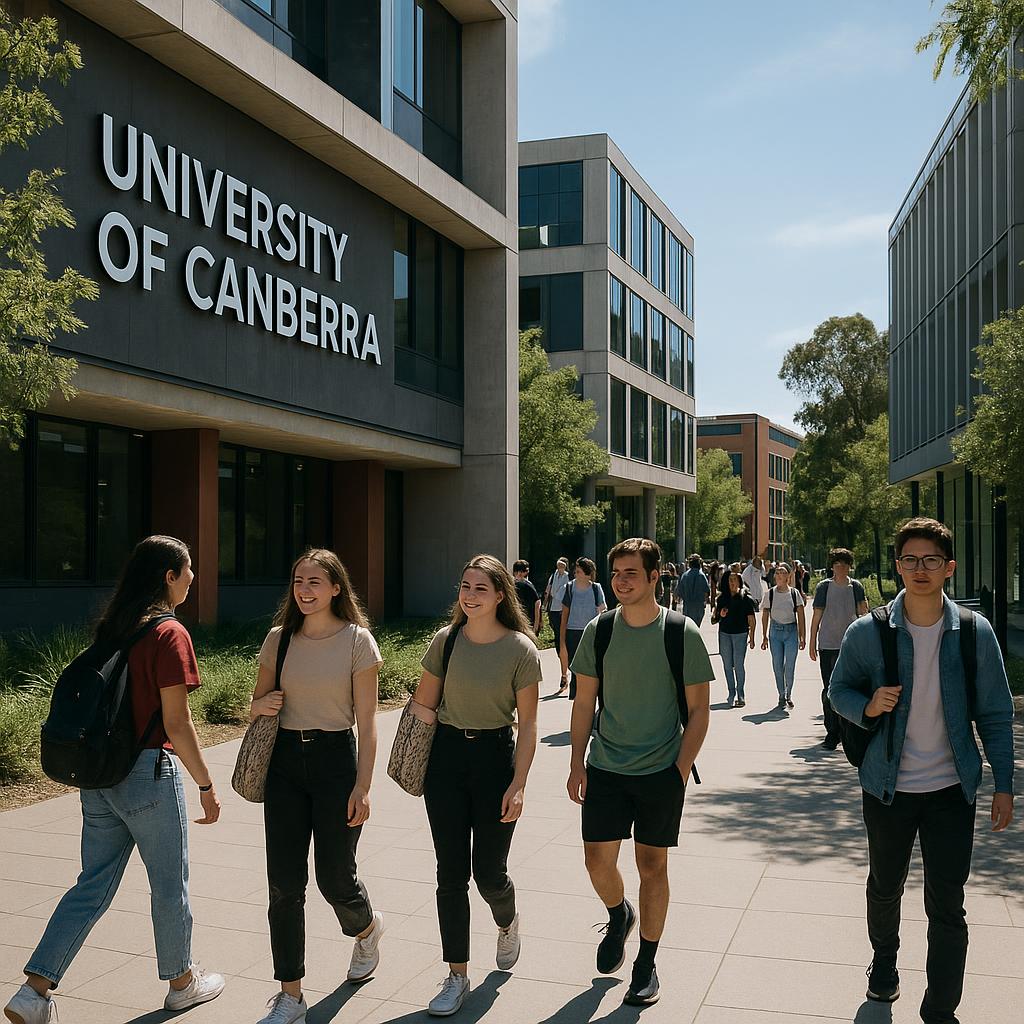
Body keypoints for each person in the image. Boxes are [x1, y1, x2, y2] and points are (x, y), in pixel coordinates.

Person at [5, 537, 225, 1024]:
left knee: (91, 885)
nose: (193, 579)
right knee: (170, 885)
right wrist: (207, 785)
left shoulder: (115, 627)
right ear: (169, 575)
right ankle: (182, 983)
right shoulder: (170, 633)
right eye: (189, 571)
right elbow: (177, 722)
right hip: (148, 774)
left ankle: (33, 992)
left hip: (101, 777)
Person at [828, 518, 1014, 1023]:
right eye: (909, 559)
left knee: (947, 905)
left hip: (952, 789)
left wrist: (1004, 783)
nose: (920, 569)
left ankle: (940, 1009)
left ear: (949, 568)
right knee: (885, 886)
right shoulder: (869, 632)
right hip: (888, 787)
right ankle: (885, 963)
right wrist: (868, 706)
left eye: (931, 560)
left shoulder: (975, 634)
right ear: (896, 566)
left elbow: (996, 713)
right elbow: (837, 690)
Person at [567, 538, 713, 1007]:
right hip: (605, 766)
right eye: (617, 573)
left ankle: (646, 964)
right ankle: (618, 913)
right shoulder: (599, 631)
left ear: (655, 577)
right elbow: (584, 701)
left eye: (632, 572)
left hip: (660, 771)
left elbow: (699, 710)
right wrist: (576, 762)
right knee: (596, 861)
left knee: (652, 866)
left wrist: (679, 770)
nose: (622, 581)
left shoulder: (681, 631)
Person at [249, 550, 384, 1024]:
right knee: (284, 885)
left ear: (335, 589)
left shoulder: (357, 641)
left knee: (334, 877)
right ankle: (291, 994)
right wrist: (263, 704)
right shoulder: (278, 639)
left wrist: (363, 788)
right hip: (284, 763)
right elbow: (255, 705)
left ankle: (366, 928)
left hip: (335, 764)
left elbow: (367, 724)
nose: (304, 589)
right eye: (297, 580)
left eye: (314, 582)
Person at [410, 555, 542, 1017]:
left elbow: (528, 726)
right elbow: (422, 706)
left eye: (480, 588)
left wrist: (520, 783)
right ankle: (457, 975)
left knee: (488, 871)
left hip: (494, 762)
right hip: (445, 761)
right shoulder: (445, 641)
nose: (469, 595)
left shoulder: (521, 650)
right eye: (464, 586)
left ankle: (507, 921)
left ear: (501, 596)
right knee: (450, 873)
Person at [808, 548, 868, 750]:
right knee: (829, 689)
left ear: (849, 566)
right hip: (828, 645)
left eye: (844, 564)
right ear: (832, 567)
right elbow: (817, 616)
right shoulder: (824, 587)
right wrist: (812, 642)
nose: (840, 568)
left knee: (850, 688)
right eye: (836, 564)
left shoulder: (856, 587)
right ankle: (832, 732)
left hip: (851, 646)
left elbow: (863, 614)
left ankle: (847, 731)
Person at [559, 557, 607, 698]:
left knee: (591, 665)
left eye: (579, 571)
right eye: (576, 571)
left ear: (587, 574)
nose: (575, 574)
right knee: (576, 667)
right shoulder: (569, 588)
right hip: (573, 632)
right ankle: (577, 696)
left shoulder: (596, 588)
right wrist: (562, 639)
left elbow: (602, 611)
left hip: (591, 632)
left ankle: (591, 693)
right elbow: (564, 615)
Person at [759, 563, 806, 708]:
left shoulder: (794, 593)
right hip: (775, 632)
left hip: (791, 631)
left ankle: (788, 694)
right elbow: (765, 614)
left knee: (790, 665)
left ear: (788, 577)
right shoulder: (770, 594)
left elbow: (801, 615)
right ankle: (781, 694)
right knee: (777, 665)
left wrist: (802, 636)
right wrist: (764, 636)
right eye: (777, 573)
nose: (779, 575)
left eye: (782, 573)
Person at [715, 570, 757, 708]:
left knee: (738, 664)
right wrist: (720, 614)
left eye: (734, 580)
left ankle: (740, 693)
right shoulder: (722, 598)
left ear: (739, 581)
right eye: (729, 580)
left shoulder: (745, 598)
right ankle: (731, 693)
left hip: (740, 634)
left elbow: (751, 619)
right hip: (724, 634)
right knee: (727, 665)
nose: (732, 583)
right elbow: (714, 619)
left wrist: (752, 637)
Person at [542, 558, 571, 663]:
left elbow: (566, 590)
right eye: (558, 566)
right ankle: (559, 647)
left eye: (561, 566)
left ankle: (562, 648)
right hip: (553, 606)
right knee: (554, 626)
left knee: (561, 628)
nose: (560, 568)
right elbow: (548, 589)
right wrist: (545, 602)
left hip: (562, 607)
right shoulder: (553, 575)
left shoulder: (567, 576)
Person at [676, 554, 710, 626]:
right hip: (698, 606)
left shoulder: (684, 576)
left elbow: (680, 592)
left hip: (687, 607)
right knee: (696, 627)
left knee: (688, 628)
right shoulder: (702, 575)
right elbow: (706, 591)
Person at [512, 560, 542, 636]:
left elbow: (537, 603)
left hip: (525, 621)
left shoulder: (521, 585)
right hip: (527, 621)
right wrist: (537, 624)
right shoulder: (527, 584)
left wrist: (535, 626)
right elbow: (538, 603)